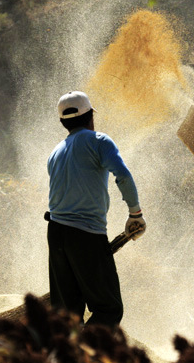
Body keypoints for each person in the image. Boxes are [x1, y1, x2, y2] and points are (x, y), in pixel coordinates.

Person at [46, 90, 146, 327]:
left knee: (66, 315)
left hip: (56, 233)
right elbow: (122, 175)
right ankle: (84, 358)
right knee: (108, 309)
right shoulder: (99, 141)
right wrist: (135, 214)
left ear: (63, 122)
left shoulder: (55, 152)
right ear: (91, 116)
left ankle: (64, 361)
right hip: (86, 235)